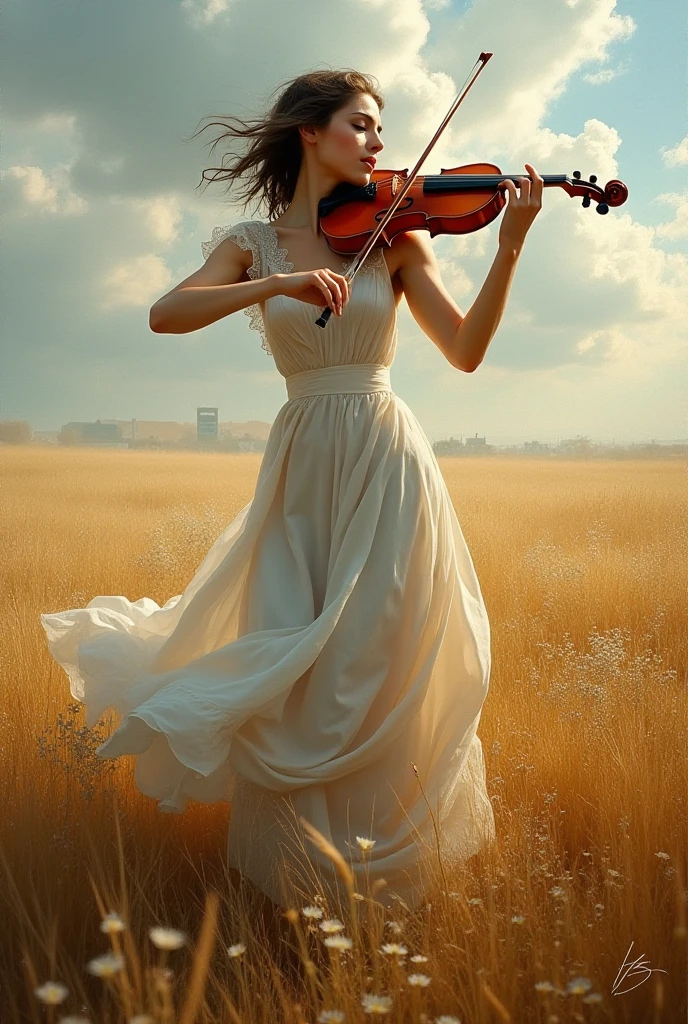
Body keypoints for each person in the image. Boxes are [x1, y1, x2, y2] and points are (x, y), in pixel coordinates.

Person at [41, 69, 542, 915]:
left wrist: (510, 247)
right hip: (302, 460)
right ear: (309, 131)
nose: (381, 145)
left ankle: (390, 885)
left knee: (376, 661)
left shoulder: (396, 236)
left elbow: (464, 351)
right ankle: (299, 883)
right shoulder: (254, 240)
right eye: (363, 125)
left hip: (385, 458)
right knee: (293, 660)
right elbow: (167, 314)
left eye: (383, 131)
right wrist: (274, 284)